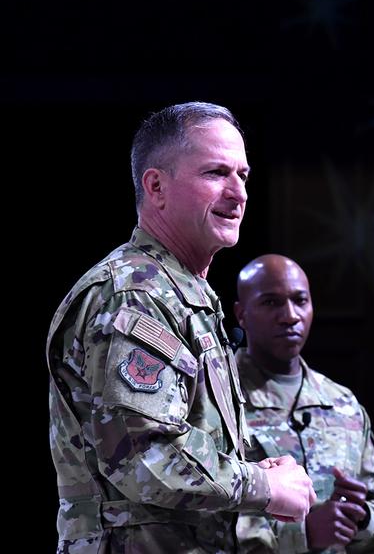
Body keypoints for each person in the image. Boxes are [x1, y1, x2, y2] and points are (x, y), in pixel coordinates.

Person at [46, 102, 317, 553]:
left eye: (243, 175)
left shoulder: (183, 292)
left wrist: (261, 474)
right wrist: (261, 486)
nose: (238, 193)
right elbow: (142, 456)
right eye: (216, 173)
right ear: (156, 186)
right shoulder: (136, 294)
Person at [233, 254, 374, 553]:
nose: (290, 316)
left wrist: (358, 520)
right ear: (241, 314)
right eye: (271, 302)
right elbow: (199, 520)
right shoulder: (218, 398)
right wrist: (302, 534)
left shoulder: (342, 404)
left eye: (300, 301)